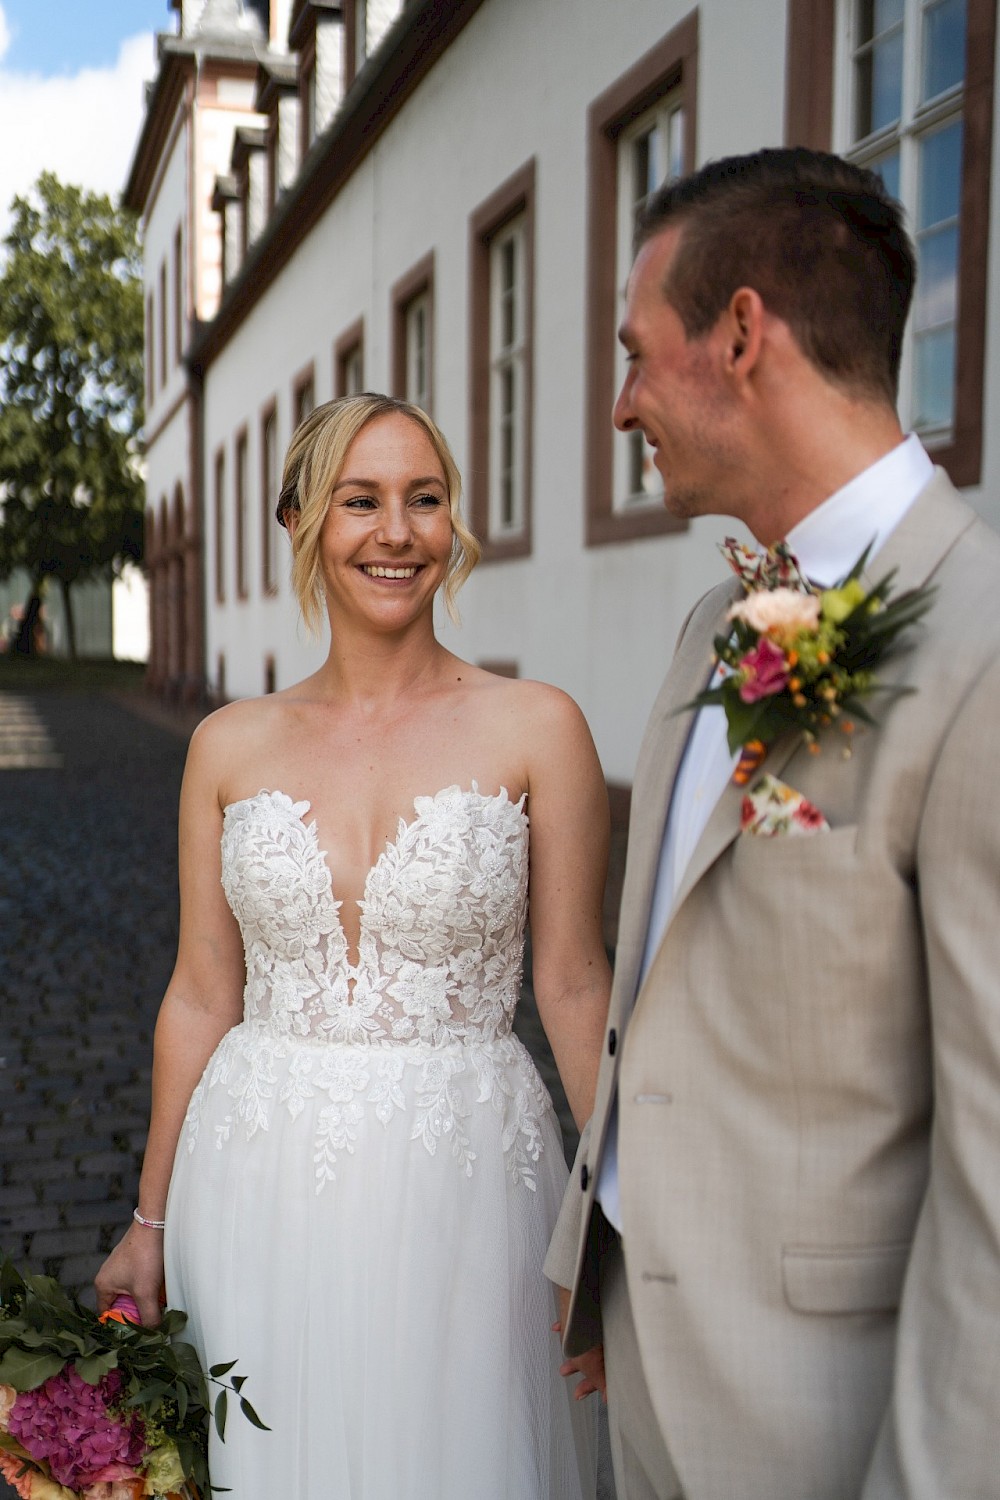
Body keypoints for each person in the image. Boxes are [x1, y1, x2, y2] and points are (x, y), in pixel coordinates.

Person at [546, 147, 1000, 1500]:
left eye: (637, 353)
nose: (623, 401)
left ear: (741, 334)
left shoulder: (980, 650)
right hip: (645, 1374)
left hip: (826, 1430)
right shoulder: (710, 624)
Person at [96, 393, 610, 1499]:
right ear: (300, 526)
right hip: (259, 1174)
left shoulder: (540, 727)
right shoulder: (226, 744)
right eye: (359, 501)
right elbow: (198, 993)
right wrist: (150, 1221)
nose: (397, 532)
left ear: (452, 524)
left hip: (471, 1178)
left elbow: (573, 983)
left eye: (424, 500)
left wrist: (620, 1213)